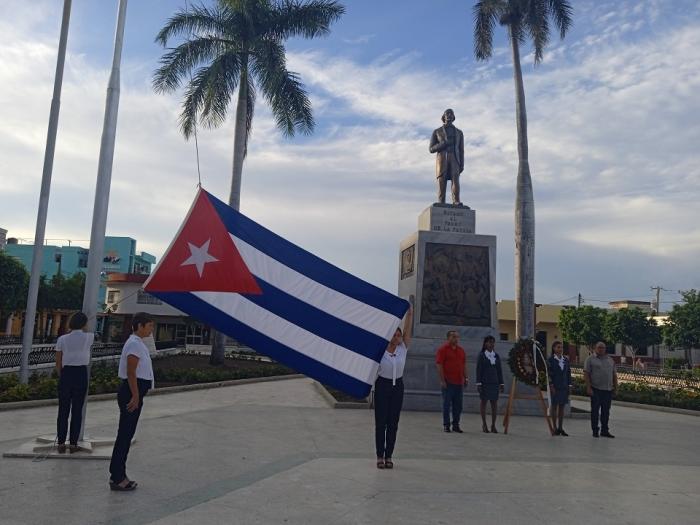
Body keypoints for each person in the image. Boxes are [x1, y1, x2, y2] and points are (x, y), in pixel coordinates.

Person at [108, 312, 155, 491]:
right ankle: (118, 476)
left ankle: (119, 473)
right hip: (130, 393)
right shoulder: (134, 344)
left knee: (126, 435)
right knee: (125, 435)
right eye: (149, 326)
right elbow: (131, 372)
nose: (151, 329)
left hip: (134, 392)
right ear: (140, 326)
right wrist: (135, 396)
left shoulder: (138, 343)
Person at [374, 302, 413, 470]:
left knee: (393, 423)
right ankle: (379, 456)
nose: (397, 338)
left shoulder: (403, 348)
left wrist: (409, 314)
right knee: (381, 423)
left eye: (399, 335)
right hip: (382, 386)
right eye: (395, 335)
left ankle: (389, 455)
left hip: (398, 387)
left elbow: (407, 331)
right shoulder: (380, 350)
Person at [55, 312, 94, 453]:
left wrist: (62, 375)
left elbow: (58, 361)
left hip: (66, 374)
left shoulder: (62, 339)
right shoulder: (89, 337)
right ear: (84, 324)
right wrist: (84, 325)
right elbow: (89, 332)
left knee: (63, 410)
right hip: (80, 374)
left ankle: (60, 442)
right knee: (77, 410)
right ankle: (73, 443)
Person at [429, 108, 465, 205]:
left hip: (455, 158)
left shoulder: (459, 133)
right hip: (442, 159)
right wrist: (443, 143)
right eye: (447, 114)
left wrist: (462, 164)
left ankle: (456, 201)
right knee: (442, 179)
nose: (449, 115)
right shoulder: (437, 131)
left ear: (453, 117)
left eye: (451, 114)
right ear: (443, 117)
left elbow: (461, 150)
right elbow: (431, 149)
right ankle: (441, 201)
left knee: (455, 179)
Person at [584, 341, 618, 438]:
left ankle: (604, 430)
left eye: (603, 348)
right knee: (595, 411)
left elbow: (614, 375)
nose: (601, 349)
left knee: (606, 411)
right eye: (599, 347)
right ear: (595, 348)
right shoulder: (590, 359)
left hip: (607, 390)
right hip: (596, 389)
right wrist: (588, 387)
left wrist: (616, 388)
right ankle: (595, 430)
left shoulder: (610, 360)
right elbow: (586, 374)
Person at [435, 330, 468, 433]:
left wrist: (466, 377)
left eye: (457, 337)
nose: (456, 339)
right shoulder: (443, 350)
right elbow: (439, 365)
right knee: (447, 404)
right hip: (448, 382)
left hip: (459, 382)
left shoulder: (461, 351)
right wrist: (442, 380)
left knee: (458, 405)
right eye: (453, 336)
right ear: (448, 338)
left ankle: (456, 424)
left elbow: (464, 365)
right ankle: (446, 425)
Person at [476, 335, 504, 433]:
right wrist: (478, 383)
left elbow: (499, 370)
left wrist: (501, 383)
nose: (491, 344)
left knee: (494, 404)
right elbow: (478, 370)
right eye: (489, 342)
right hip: (484, 382)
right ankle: (484, 424)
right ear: (485, 343)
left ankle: (493, 425)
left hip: (494, 382)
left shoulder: (496, 356)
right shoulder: (482, 355)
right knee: (484, 402)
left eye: (493, 342)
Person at [548, 341, 572, 436]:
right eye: (558, 347)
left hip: (564, 387)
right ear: (554, 348)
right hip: (555, 387)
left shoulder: (565, 360)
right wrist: (551, 385)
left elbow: (568, 373)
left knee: (562, 407)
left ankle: (560, 428)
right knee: (554, 407)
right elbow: (549, 374)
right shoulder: (550, 360)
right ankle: (554, 427)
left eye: (561, 347)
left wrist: (569, 385)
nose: (560, 349)